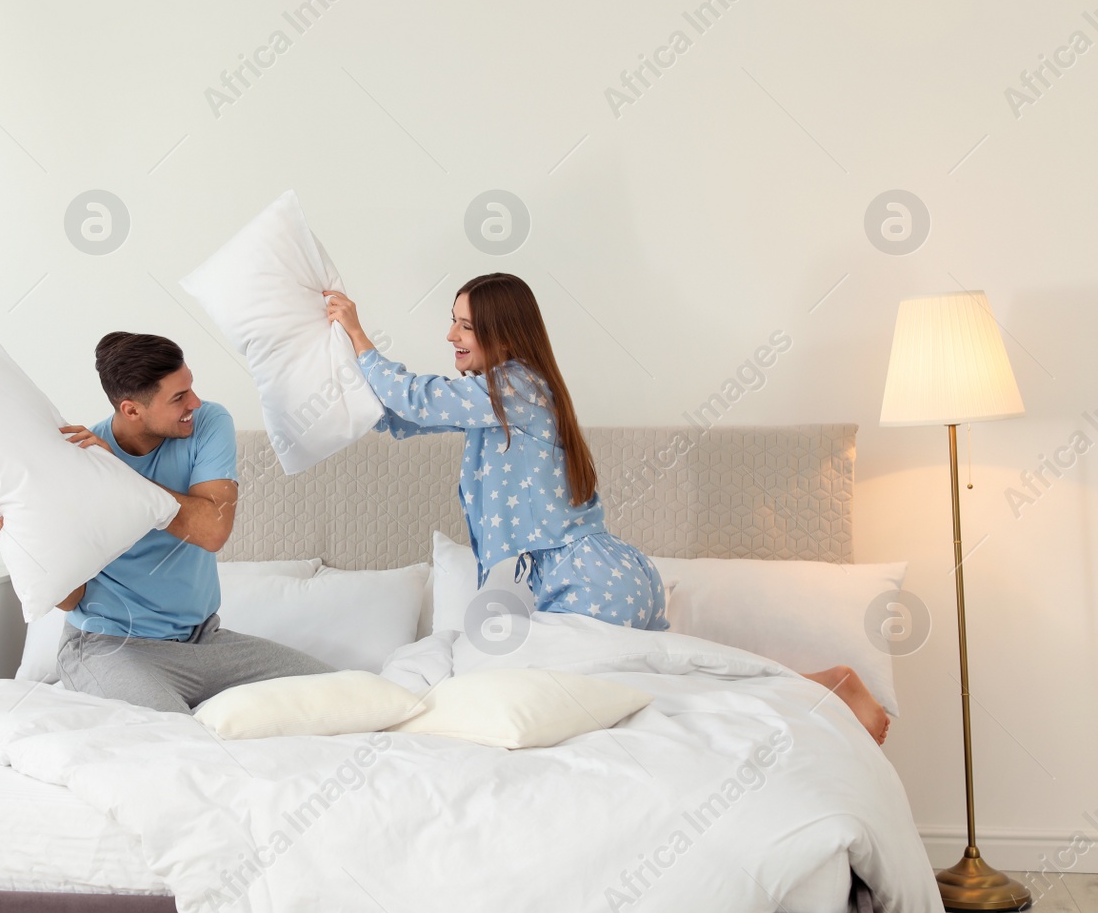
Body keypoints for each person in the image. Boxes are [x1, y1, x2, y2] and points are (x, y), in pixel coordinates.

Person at [324, 273, 890, 745]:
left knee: (644, 685)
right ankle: (817, 688)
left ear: (503, 332)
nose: (450, 334)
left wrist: (357, 334)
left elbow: (416, 397)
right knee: (660, 690)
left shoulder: (517, 386)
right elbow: (404, 416)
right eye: (454, 320)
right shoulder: (500, 398)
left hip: (587, 581)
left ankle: (821, 689)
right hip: (595, 576)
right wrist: (335, 376)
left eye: (465, 325)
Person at [0, 331, 333, 714]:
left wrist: (121, 478)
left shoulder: (208, 423)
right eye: (178, 398)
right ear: (131, 410)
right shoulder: (77, 466)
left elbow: (212, 529)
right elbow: (72, 598)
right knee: (171, 739)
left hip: (204, 643)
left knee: (339, 692)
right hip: (109, 647)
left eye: (189, 387)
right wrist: (18, 543)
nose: (195, 402)